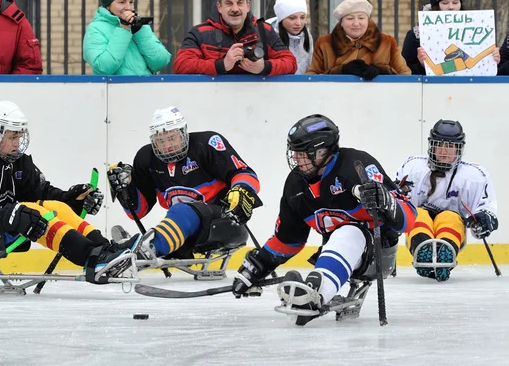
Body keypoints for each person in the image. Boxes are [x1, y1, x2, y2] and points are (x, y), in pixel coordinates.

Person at [231, 114, 417, 326]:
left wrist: (385, 200)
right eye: (294, 152)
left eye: (302, 153)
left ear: (323, 151)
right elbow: (288, 239)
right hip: (337, 252)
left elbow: (409, 219)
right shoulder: (296, 186)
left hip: (379, 251)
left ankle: (316, 295)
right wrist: (259, 265)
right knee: (342, 235)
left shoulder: (357, 166)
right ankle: (316, 287)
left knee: (348, 231)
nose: (296, 158)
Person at [0, 100, 141, 284]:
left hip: (0, 223)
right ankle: (92, 258)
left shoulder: (13, 155)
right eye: (12, 137)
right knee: (33, 212)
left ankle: (106, 250)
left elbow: (39, 192)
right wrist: (16, 215)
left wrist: (71, 199)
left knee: (54, 207)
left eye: (19, 136)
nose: (17, 143)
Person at [107, 106, 261, 266]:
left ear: (183, 133)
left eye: (172, 138)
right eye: (161, 141)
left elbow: (246, 174)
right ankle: (126, 249)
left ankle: (143, 251)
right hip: (186, 233)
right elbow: (137, 212)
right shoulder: (146, 158)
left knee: (182, 210)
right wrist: (126, 188)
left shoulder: (206, 144)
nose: (167, 145)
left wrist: (240, 189)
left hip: (224, 223)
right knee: (180, 213)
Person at [396, 119, 498, 282]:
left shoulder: (474, 175)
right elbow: (398, 200)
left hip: (454, 221)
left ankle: (444, 253)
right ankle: (423, 251)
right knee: (419, 214)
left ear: (459, 149)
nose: (444, 151)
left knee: (449, 217)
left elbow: (485, 206)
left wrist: (482, 218)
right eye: (440, 145)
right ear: (432, 146)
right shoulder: (413, 167)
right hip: (419, 219)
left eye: (450, 146)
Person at [173, 0, 297, 76]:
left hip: (257, 103)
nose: (235, 9)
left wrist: (265, 67)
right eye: (228, 3)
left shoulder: (264, 30)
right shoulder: (200, 33)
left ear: (248, 6)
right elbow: (180, 65)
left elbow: (291, 63)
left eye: (240, 2)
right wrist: (221, 65)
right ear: (219, 7)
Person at [401, 0, 500, 75]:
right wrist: (423, 65)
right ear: (436, 5)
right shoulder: (416, 35)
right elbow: (404, 72)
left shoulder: (473, 29)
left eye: (455, 2)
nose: (451, 7)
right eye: (445, 3)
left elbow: (483, 69)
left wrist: (493, 59)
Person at [307, 0, 411, 79]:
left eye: (361, 18)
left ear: (368, 20)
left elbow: (405, 76)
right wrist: (341, 70)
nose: (356, 23)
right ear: (341, 22)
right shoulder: (324, 44)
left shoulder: (387, 43)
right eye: (350, 18)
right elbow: (311, 78)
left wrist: (382, 71)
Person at [83, 0, 171, 75]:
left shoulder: (140, 27)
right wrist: (123, 29)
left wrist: (140, 31)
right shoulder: (95, 29)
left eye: (131, 2)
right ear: (108, 6)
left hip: (146, 87)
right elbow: (104, 67)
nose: (128, 7)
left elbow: (160, 62)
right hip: (115, 88)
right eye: (122, 2)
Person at [267, 0, 314, 74]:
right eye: (292, 18)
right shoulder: (269, 35)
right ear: (281, 18)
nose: (298, 23)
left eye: (302, 17)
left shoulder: (307, 35)